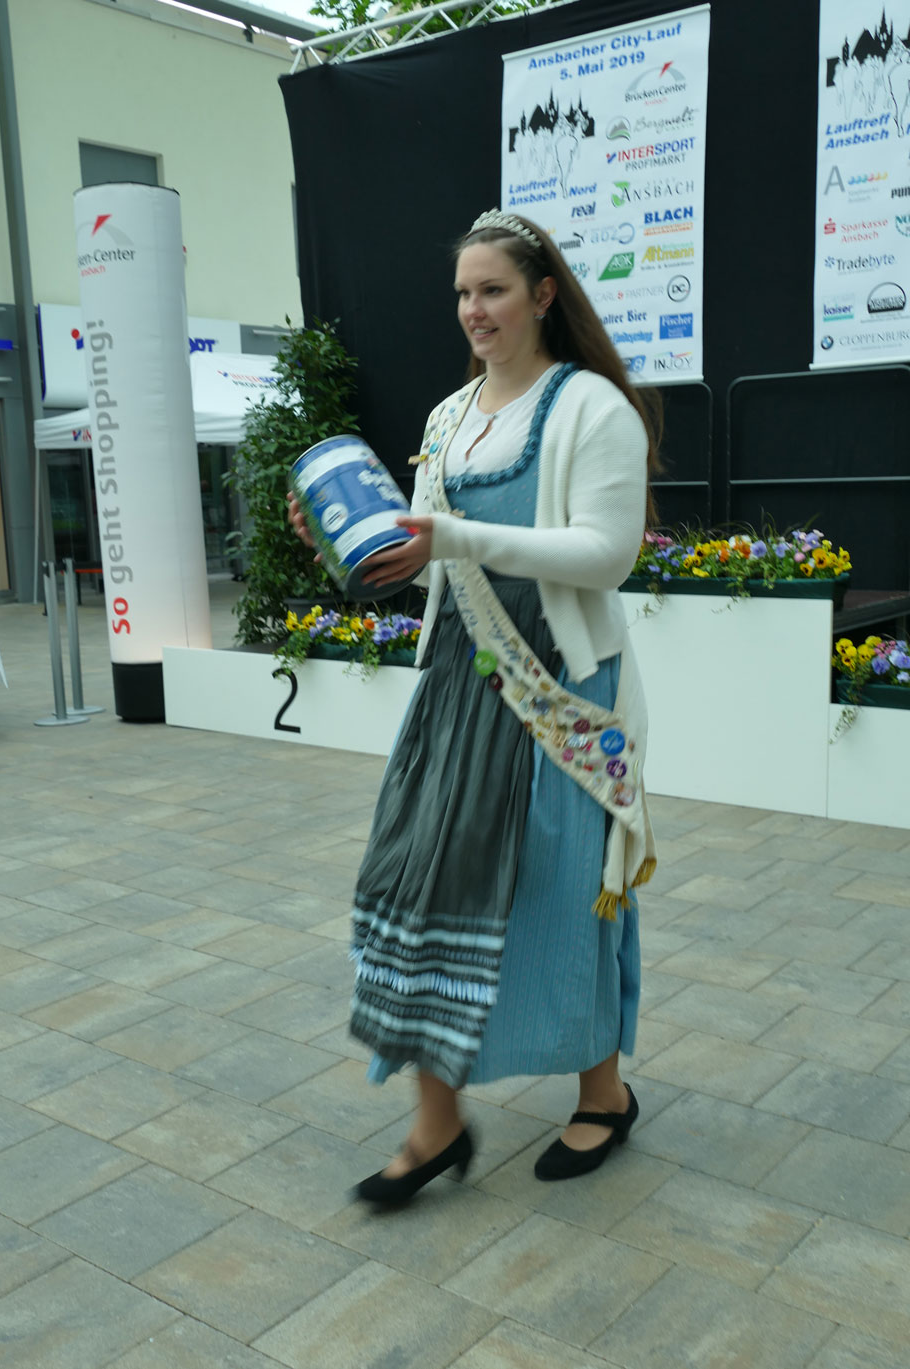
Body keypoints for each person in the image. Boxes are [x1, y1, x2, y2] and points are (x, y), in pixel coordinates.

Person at [288, 208, 661, 1205]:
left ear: (543, 294)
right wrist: (348, 540)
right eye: (463, 292)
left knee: (564, 892)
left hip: (560, 691)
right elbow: (430, 567)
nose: (474, 310)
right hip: (460, 685)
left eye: (493, 289)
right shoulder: (448, 418)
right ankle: (437, 1123)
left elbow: (606, 554)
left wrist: (451, 537)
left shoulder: (592, 408)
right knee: (418, 888)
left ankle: (604, 1094)